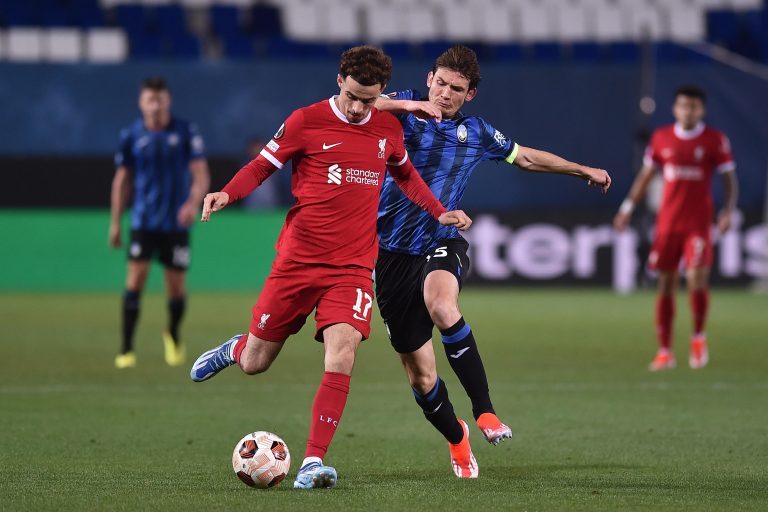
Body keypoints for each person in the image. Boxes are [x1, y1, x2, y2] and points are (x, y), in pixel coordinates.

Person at [187, 46, 472, 490]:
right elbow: (263, 166)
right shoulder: (305, 121)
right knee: (256, 362)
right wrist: (227, 193)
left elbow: (406, 175)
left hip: (353, 266)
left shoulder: (385, 129)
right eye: (354, 96)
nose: (360, 108)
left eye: (369, 99)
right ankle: (234, 349)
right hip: (297, 261)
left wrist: (438, 212)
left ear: (380, 93)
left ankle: (312, 462)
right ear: (340, 80)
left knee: (342, 354)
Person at [374, 45, 611, 478]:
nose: (445, 94)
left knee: (443, 306)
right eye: (440, 83)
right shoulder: (401, 109)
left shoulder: (477, 132)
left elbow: (525, 157)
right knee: (422, 380)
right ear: (429, 79)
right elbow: (356, 103)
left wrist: (580, 169)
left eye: (457, 89)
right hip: (390, 255)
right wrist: (411, 103)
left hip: (441, 239)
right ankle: (457, 437)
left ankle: (485, 411)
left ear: (471, 95)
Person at [613, 85, 738, 371]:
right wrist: (626, 209)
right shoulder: (661, 138)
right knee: (666, 285)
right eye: (683, 106)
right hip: (668, 223)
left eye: (693, 107)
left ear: (701, 110)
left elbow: (729, 178)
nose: (688, 111)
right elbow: (646, 176)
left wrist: (728, 210)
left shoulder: (714, 140)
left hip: (697, 224)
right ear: (675, 108)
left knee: (696, 279)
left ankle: (697, 337)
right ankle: (665, 351)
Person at [109, 77, 210, 369]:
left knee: (176, 287)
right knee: (135, 280)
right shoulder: (130, 135)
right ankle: (127, 347)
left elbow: (201, 174)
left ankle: (173, 332)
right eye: (150, 100)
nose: (155, 106)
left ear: (168, 101)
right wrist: (115, 222)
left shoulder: (185, 132)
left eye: (160, 99)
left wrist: (192, 204)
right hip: (143, 221)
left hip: (176, 224)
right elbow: (122, 181)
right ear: (141, 103)